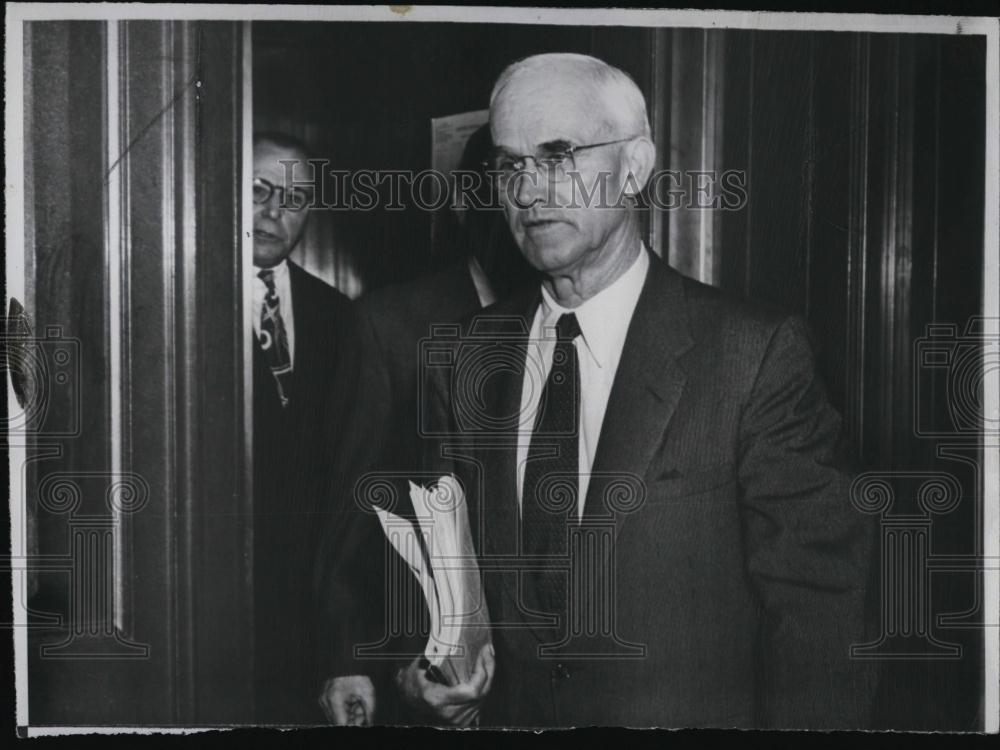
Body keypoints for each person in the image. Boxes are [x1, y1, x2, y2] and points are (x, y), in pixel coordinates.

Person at [398, 53, 877, 729]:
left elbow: (821, 620)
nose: (529, 191)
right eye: (509, 165)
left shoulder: (754, 355)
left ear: (635, 166)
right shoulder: (467, 353)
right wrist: (428, 680)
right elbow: (439, 576)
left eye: (558, 154)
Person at [314, 124, 534, 725]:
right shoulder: (389, 325)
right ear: (465, 202)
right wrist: (345, 658)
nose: (524, 206)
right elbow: (350, 509)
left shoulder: (566, 319)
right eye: (504, 182)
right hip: (426, 664)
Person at [250, 131, 365, 724]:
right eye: (257, 190)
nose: (273, 211)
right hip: (221, 608)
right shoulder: (184, 307)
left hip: (310, 622)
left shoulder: (339, 316)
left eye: (292, 198)